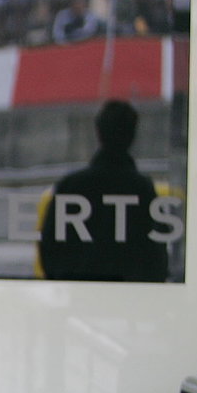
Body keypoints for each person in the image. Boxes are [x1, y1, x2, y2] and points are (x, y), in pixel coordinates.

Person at [38, 100, 169, 282]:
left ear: (98, 132)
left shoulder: (71, 185)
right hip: (129, 299)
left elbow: (49, 248)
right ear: (132, 135)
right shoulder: (142, 189)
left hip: (76, 297)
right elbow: (156, 256)